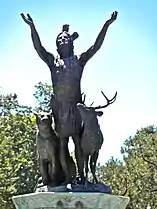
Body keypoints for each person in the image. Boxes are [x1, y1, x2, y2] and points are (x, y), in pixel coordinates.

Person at [21, 11, 118, 184]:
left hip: (76, 108)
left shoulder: (79, 60)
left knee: (79, 143)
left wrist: (107, 24)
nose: (63, 40)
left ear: (72, 43)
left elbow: (96, 46)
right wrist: (32, 27)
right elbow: (39, 48)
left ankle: (83, 176)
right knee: (62, 145)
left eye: (66, 38)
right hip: (59, 109)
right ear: (57, 46)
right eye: (59, 39)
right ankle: (65, 178)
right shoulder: (53, 62)